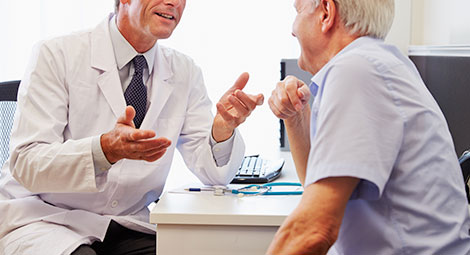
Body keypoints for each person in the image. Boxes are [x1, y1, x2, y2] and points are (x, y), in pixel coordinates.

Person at [0, 0, 264, 254]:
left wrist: (222, 129)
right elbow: (26, 163)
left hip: (126, 222)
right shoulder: (56, 54)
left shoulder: (185, 71)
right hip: (44, 218)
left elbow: (214, 174)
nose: (174, 2)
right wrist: (103, 150)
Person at [266, 0, 470, 254]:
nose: (292, 28)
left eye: (297, 11)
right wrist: (295, 117)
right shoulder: (375, 63)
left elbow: (314, 229)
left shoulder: (356, 70)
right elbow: (315, 185)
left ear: (326, 13)